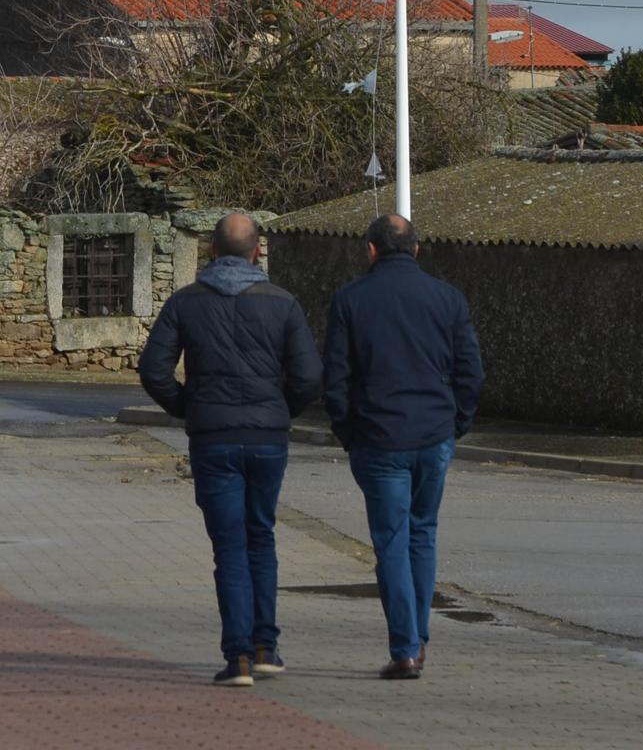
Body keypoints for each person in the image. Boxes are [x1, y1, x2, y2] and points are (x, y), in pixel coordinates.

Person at [139, 213, 322, 687]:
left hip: (213, 438)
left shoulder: (186, 303)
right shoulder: (283, 304)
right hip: (266, 438)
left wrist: (188, 407)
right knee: (260, 535)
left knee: (229, 546)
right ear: (257, 251)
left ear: (211, 251)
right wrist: (279, 411)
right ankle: (266, 647)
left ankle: (238, 656)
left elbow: (153, 370)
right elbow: (307, 377)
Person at [323, 213, 484, 680]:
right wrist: (456, 425)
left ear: (371, 250)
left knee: (391, 542)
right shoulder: (447, 299)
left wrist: (348, 431)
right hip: (433, 435)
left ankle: (406, 648)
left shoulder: (350, 300)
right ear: (416, 249)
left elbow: (336, 378)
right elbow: (471, 372)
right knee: (422, 535)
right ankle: (419, 639)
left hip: (378, 440)